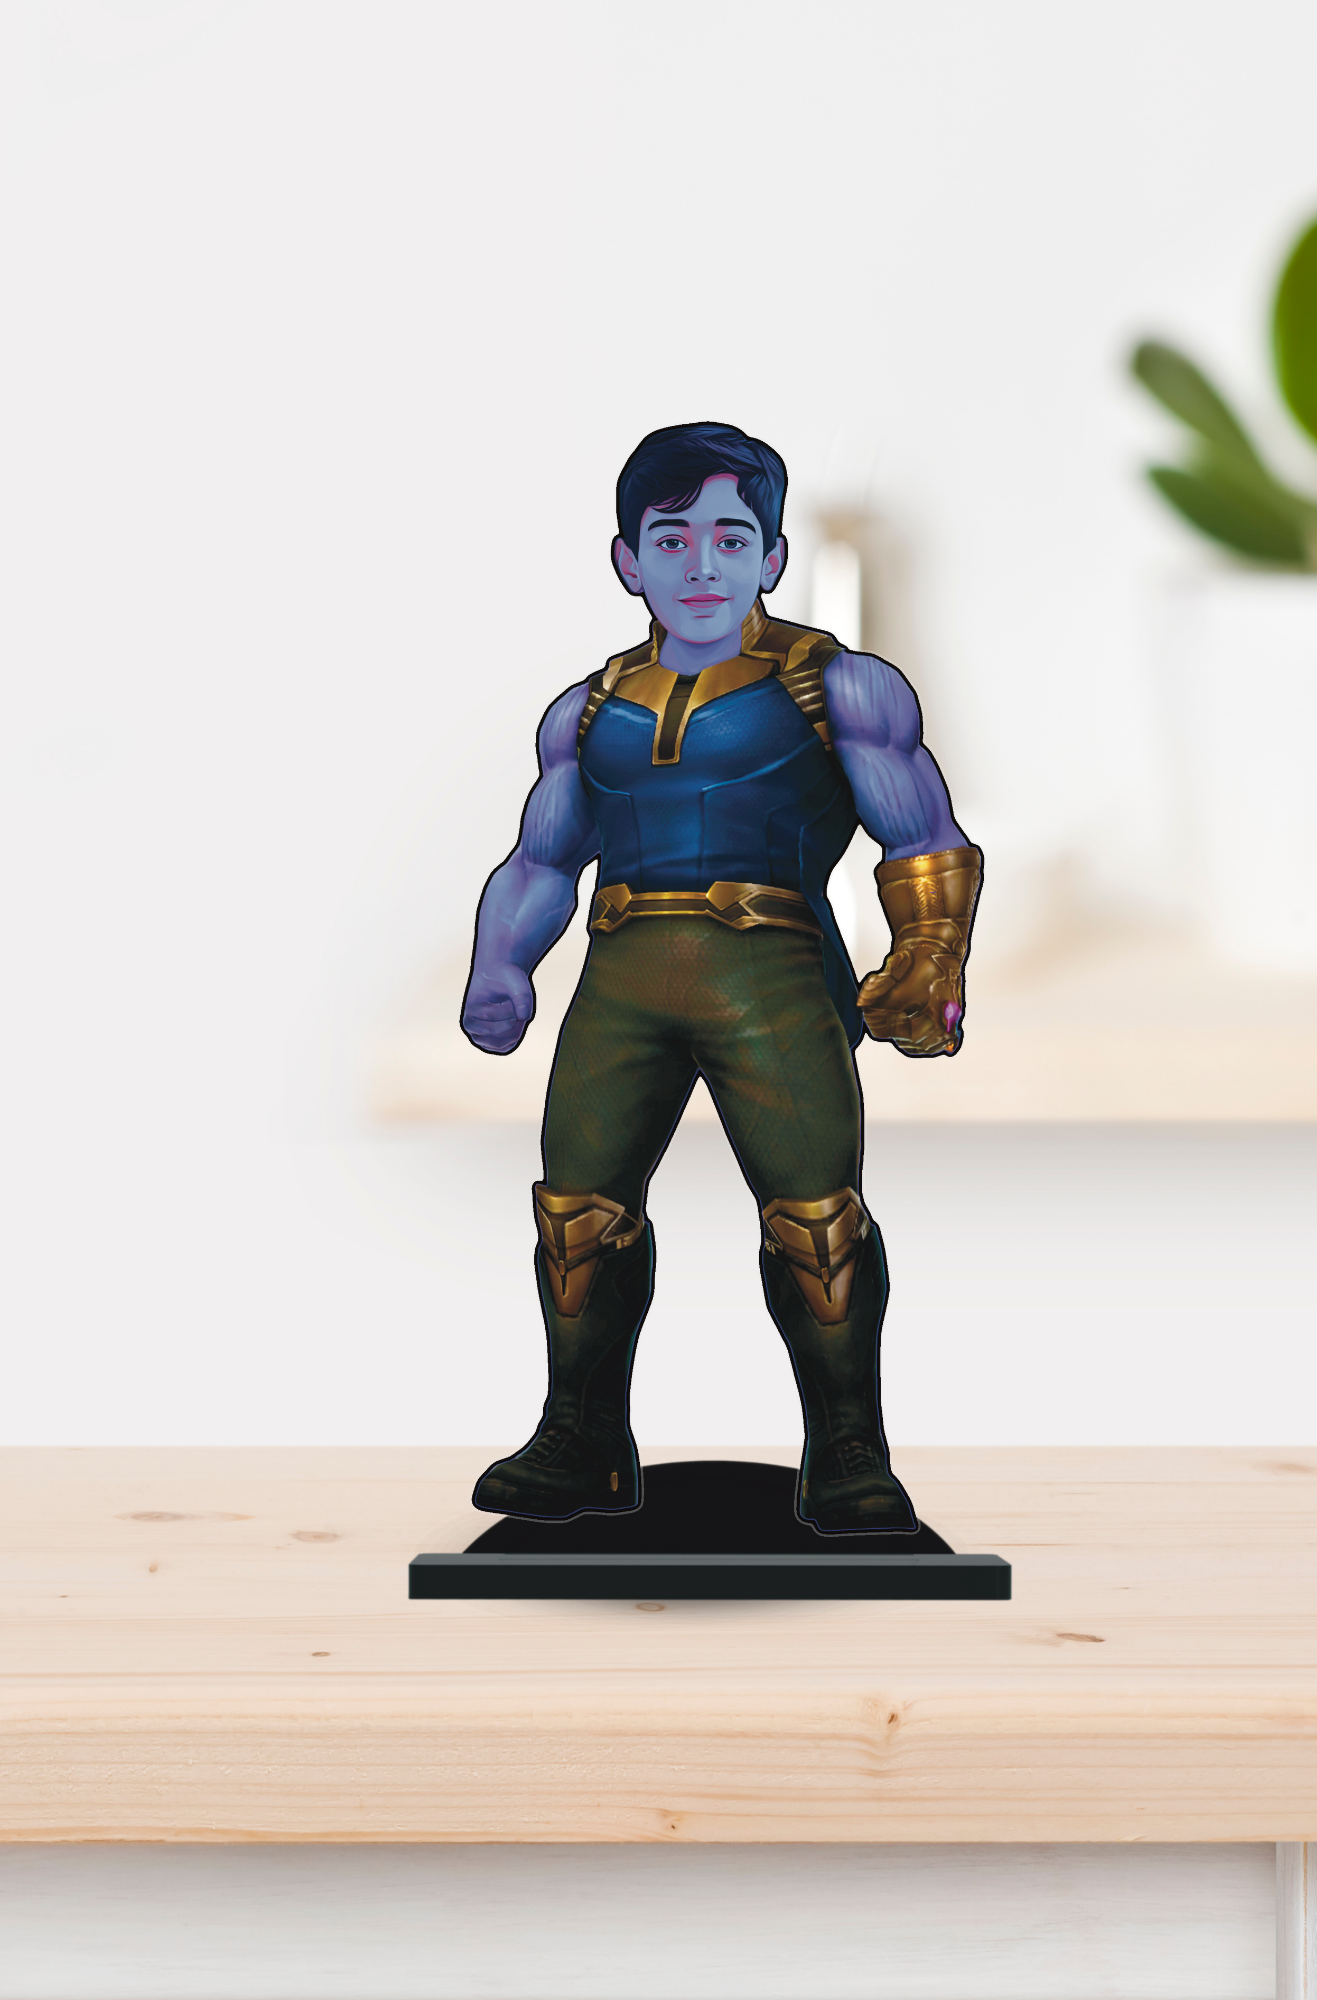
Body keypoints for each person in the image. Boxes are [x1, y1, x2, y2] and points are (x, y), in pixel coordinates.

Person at [460, 421, 981, 1533]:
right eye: (671, 538)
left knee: (816, 1223)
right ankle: (581, 1438)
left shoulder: (836, 686)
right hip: (622, 976)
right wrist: (500, 962)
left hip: (770, 973)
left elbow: (923, 838)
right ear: (627, 561)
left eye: (731, 537)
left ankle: (848, 1449)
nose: (702, 564)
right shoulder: (586, 711)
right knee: (576, 1216)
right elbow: (541, 860)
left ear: (772, 556)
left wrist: (929, 956)